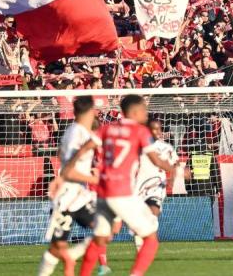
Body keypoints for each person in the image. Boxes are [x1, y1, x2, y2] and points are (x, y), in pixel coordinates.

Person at [64, 95, 177, 276]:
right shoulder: (140, 132)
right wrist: (177, 170)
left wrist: (68, 168)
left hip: (103, 192)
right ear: (135, 112)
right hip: (122, 192)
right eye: (144, 110)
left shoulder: (107, 128)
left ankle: (82, 269)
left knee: (101, 238)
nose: (146, 114)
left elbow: (85, 147)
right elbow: (157, 161)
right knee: (151, 239)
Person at [38, 96, 99, 276]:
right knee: (57, 248)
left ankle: (72, 255)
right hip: (66, 197)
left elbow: (60, 153)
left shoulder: (76, 131)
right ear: (91, 111)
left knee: (104, 229)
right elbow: (69, 172)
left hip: (79, 195)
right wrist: (94, 179)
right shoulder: (77, 134)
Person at [133, 119, 177, 250]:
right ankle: (141, 245)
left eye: (159, 129)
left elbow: (175, 164)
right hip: (139, 186)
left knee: (153, 213)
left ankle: (147, 246)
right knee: (140, 220)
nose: (158, 132)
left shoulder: (166, 147)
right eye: (154, 129)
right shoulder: (138, 146)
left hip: (157, 186)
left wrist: (172, 179)